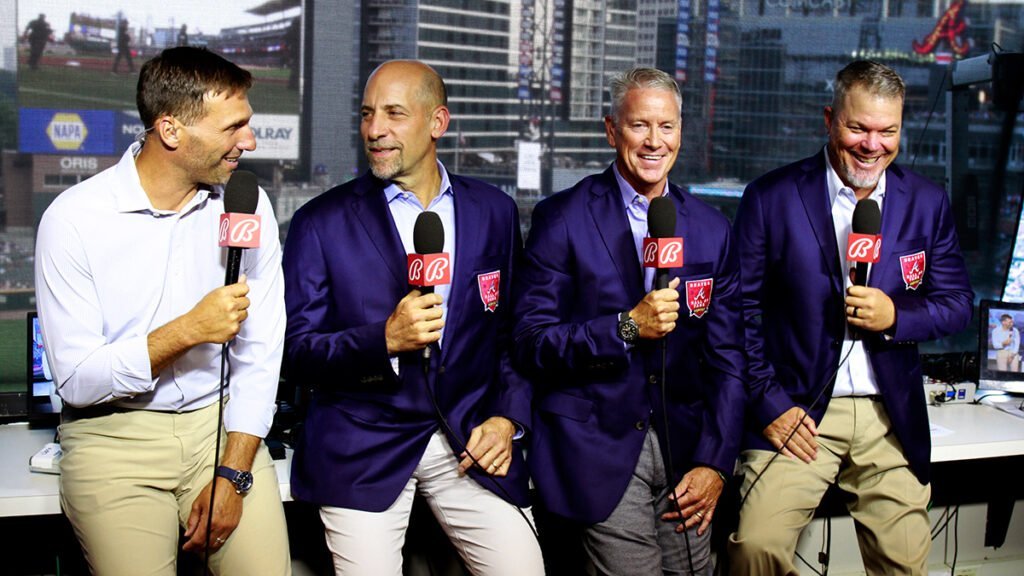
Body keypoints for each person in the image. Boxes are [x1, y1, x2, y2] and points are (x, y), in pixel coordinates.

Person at [34, 46, 291, 575]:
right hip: (111, 438)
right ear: (170, 131)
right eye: (233, 127)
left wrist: (235, 472)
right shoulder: (74, 220)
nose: (250, 141)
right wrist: (187, 331)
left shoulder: (247, 202)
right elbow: (78, 381)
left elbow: (261, 352)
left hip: (220, 430)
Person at [283, 60, 544, 576]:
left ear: (437, 122)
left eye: (394, 114)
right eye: (366, 114)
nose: (374, 130)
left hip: (466, 439)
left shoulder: (494, 210)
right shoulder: (320, 221)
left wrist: (507, 417)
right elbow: (296, 349)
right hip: (362, 445)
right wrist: (382, 339)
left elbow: (512, 332)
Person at [728, 60, 973, 575]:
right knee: (755, 546)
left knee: (905, 564)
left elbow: (956, 304)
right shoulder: (771, 198)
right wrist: (771, 405)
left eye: (888, 131)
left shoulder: (927, 203)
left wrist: (894, 314)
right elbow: (737, 316)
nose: (872, 145)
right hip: (800, 411)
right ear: (829, 119)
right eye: (858, 128)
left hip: (890, 414)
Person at [512, 67, 746, 575]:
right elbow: (530, 341)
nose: (654, 141)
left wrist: (715, 462)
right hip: (597, 443)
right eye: (640, 125)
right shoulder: (563, 217)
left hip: (686, 445)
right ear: (611, 129)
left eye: (667, 126)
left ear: (681, 131)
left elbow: (729, 359)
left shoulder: (711, 230)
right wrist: (625, 327)